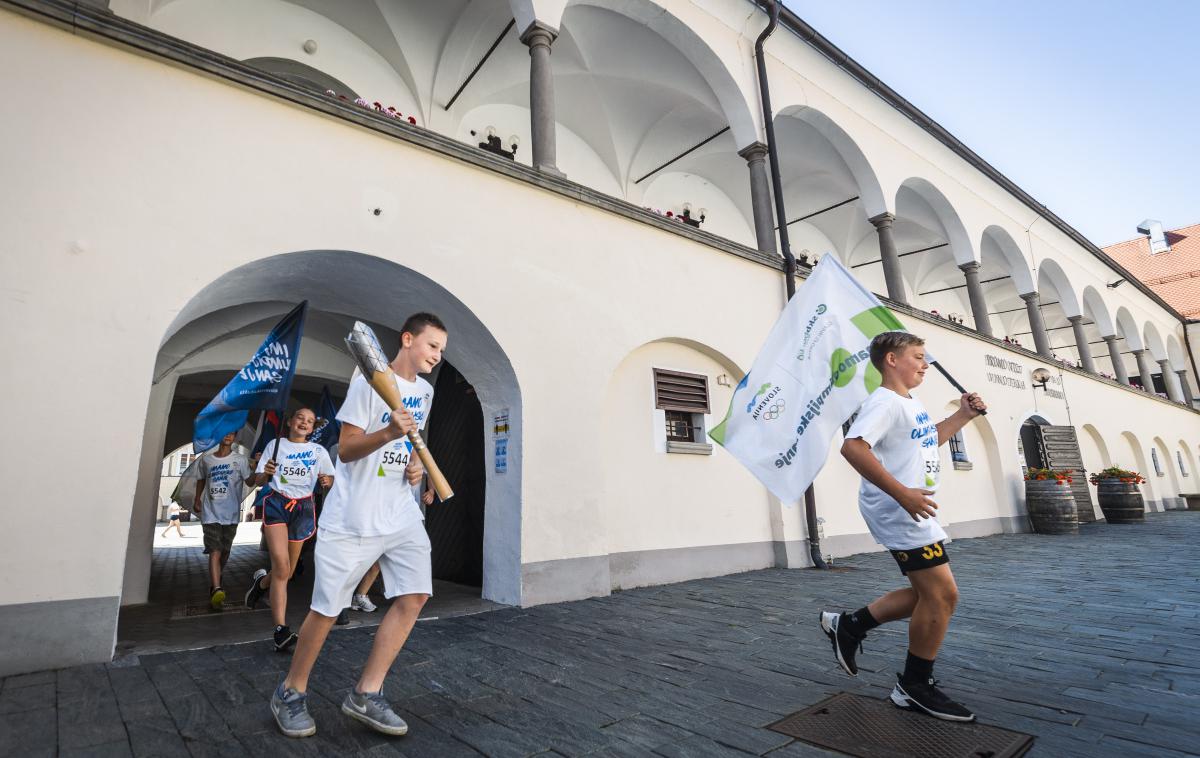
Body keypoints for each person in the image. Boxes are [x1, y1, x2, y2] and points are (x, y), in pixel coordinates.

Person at [269, 312, 444, 739]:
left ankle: (367, 692)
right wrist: (386, 433)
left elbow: (415, 441)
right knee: (327, 610)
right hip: (353, 516)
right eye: (432, 346)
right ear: (407, 339)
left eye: (441, 350)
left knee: (416, 594)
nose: (437, 357)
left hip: (400, 511)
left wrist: (417, 466)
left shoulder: (424, 391)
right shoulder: (367, 384)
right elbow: (345, 450)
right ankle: (290, 692)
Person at [824, 331, 987, 722]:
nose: (925, 364)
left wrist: (963, 416)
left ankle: (848, 625)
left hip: (915, 507)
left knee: (928, 596)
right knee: (943, 596)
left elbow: (928, 440)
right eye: (918, 356)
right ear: (892, 359)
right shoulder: (883, 402)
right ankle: (914, 686)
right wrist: (902, 495)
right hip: (900, 510)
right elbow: (853, 447)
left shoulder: (909, 402)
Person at [244, 408, 335, 652]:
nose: (305, 423)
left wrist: (328, 481)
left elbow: (331, 478)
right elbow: (259, 480)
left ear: (313, 427)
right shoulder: (276, 445)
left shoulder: (318, 451)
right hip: (277, 504)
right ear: (290, 422)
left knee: (288, 571)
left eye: (309, 421)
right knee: (282, 568)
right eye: (300, 418)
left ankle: (262, 583)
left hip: (304, 508)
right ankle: (281, 630)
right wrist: (266, 473)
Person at [193, 432, 254, 610]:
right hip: (210, 513)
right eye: (225, 433)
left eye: (232, 434)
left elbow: (250, 482)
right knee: (215, 550)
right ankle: (217, 588)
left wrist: (259, 470)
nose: (228, 436)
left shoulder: (240, 460)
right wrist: (197, 498)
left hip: (231, 514)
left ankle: (215, 582)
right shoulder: (207, 459)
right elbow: (201, 479)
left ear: (235, 437)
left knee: (225, 551)